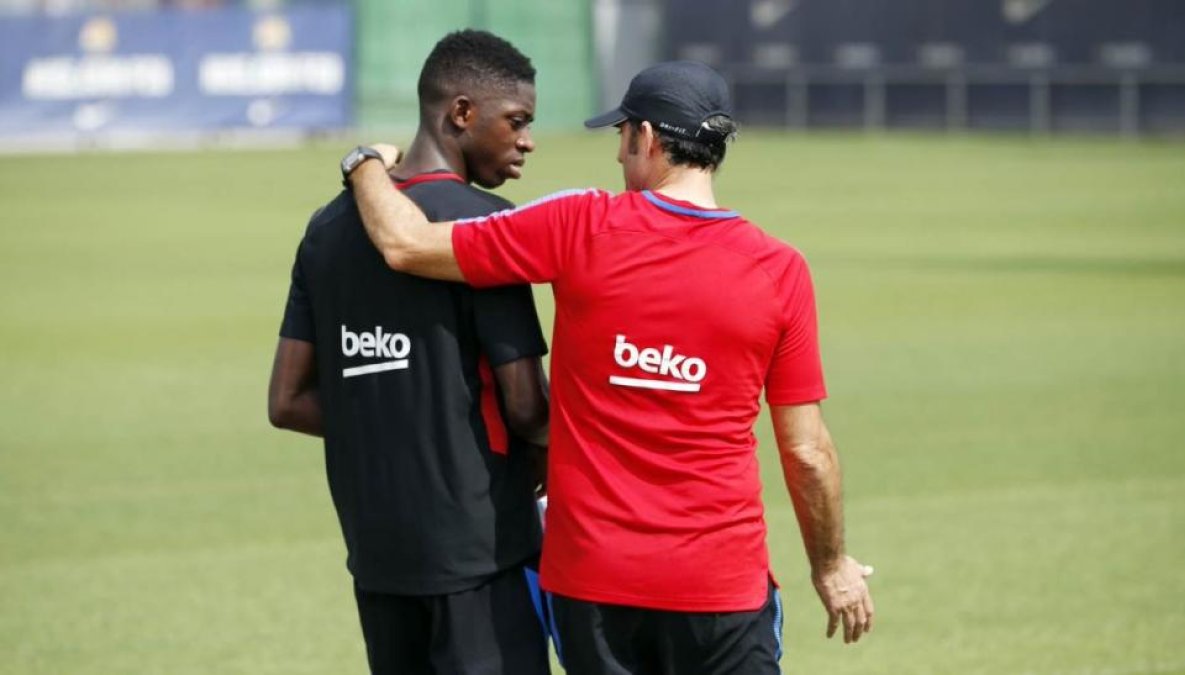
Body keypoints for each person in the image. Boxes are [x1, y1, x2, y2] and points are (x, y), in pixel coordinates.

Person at [344, 61, 875, 674]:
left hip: (593, 589)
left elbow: (405, 244)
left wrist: (364, 163)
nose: (619, 160)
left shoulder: (579, 224)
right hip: (721, 588)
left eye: (621, 140)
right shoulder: (779, 269)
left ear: (645, 138)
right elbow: (807, 453)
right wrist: (831, 566)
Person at [267, 30, 553, 675]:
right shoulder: (483, 227)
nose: (527, 141)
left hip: (377, 551)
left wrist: (392, 420)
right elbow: (528, 409)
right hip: (479, 554)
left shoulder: (327, 227)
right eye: (517, 121)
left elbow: (287, 402)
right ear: (460, 113)